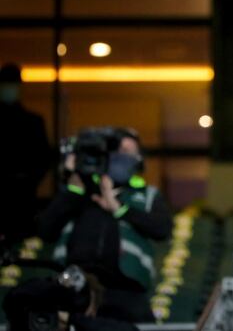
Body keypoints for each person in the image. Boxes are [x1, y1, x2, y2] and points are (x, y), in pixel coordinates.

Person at [3, 127, 172, 330]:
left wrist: (118, 208)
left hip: (127, 288)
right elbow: (46, 230)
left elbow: (162, 229)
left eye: (129, 151)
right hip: (77, 286)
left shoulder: (147, 194)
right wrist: (74, 185)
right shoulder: (78, 192)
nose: (122, 157)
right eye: (116, 150)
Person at [0, 62, 51, 247]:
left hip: (24, 199)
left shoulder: (32, 122)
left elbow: (43, 158)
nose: (9, 89)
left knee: (23, 247)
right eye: (5, 85)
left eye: (12, 85)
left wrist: (27, 180)